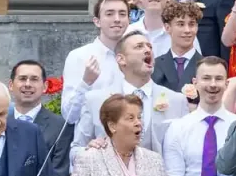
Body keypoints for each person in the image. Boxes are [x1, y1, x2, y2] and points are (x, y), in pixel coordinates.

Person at [71, 32, 174, 169]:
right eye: (139, 46)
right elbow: (75, 150)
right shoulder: (95, 100)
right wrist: (88, 151)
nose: (147, 50)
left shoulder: (176, 100)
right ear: (121, 59)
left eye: (149, 46)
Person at [62, 0, 130, 124]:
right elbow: (69, 116)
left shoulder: (137, 56)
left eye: (122, 14)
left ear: (128, 20)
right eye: (109, 14)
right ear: (97, 21)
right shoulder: (79, 56)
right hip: (92, 134)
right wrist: (86, 82)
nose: (117, 19)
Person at [153, 0, 203, 94]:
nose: (187, 30)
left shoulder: (206, 66)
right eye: (180, 24)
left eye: (192, 24)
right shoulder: (154, 66)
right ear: (167, 28)